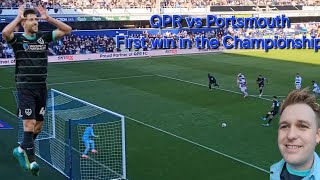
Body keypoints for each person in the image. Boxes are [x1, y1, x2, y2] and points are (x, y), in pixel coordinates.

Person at [2, 5, 72, 176]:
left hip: (41, 87)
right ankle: (32, 161)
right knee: (29, 124)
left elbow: (67, 29)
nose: (35, 22)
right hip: (25, 87)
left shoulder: (43, 38)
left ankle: (20, 149)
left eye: (36, 19)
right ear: (25, 22)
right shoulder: (18, 41)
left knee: (38, 127)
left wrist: (47, 18)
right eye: (32, 20)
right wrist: (18, 18)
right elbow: (5, 33)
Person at [270, 88, 320, 179]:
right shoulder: (273, 171)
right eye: (284, 126)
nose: (291, 135)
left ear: (317, 135)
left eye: (302, 126)